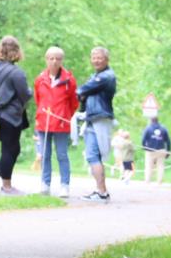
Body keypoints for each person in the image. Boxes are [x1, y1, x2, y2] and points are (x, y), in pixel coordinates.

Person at [0, 36, 31, 195]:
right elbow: (25, 94)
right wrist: (29, 95)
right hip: (11, 116)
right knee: (10, 149)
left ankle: (6, 184)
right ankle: (7, 187)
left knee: (9, 149)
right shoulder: (16, 73)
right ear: (16, 51)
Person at [33, 46, 78, 198]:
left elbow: (74, 103)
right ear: (46, 60)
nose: (54, 61)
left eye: (57, 58)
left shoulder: (69, 80)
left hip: (61, 123)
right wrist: (42, 114)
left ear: (61, 60)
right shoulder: (40, 79)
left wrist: (64, 115)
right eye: (51, 58)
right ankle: (45, 184)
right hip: (43, 123)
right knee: (44, 155)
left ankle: (65, 185)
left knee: (62, 155)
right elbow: (38, 100)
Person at [77, 47, 116, 202]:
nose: (96, 60)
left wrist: (81, 93)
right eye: (93, 57)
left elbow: (83, 90)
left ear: (106, 59)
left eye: (99, 57)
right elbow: (84, 95)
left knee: (92, 155)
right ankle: (102, 191)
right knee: (95, 156)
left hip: (100, 118)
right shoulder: (96, 76)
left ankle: (101, 192)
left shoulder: (106, 76)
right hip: (93, 118)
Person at [141, 117, 171, 184]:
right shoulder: (163, 129)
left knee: (149, 165)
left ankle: (147, 180)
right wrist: (168, 151)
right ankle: (159, 181)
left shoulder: (148, 128)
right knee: (160, 166)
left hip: (150, 150)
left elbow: (143, 139)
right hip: (161, 149)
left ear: (151, 121)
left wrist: (144, 147)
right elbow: (168, 141)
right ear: (158, 120)